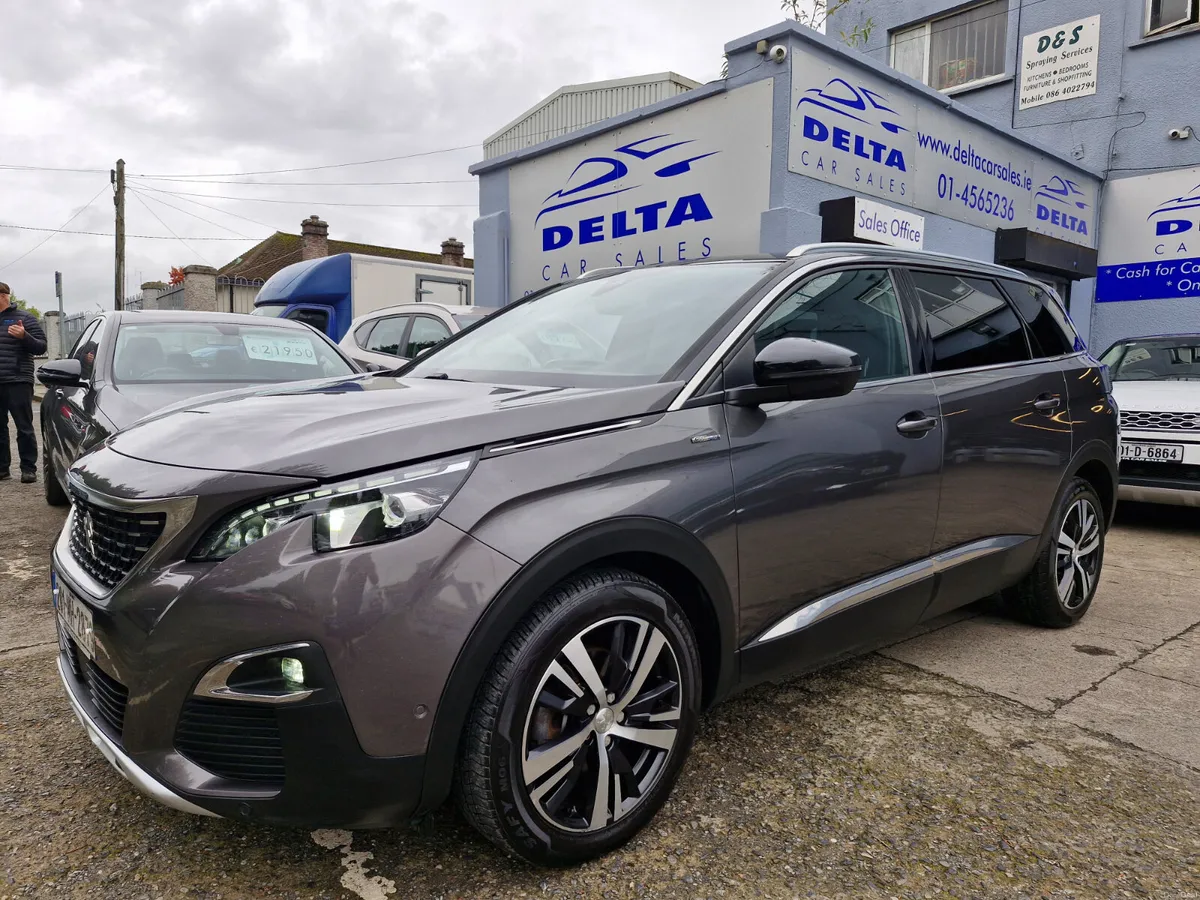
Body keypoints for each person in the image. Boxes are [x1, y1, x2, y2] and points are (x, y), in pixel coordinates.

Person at [0, 282, 48, 483]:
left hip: (18, 378)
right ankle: (2, 469)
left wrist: (24, 336)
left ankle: (28, 469)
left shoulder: (25, 318)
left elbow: (41, 347)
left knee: (24, 426)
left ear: (4, 296)